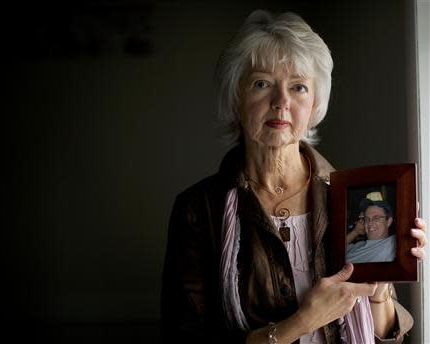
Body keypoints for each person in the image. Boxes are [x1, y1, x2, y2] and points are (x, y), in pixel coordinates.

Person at [161, 10, 428, 344]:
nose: (281, 102)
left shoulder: (351, 198)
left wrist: (383, 277)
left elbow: (386, 337)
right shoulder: (199, 209)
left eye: (298, 87)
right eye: (262, 84)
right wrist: (302, 321)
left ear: (315, 102)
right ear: (236, 97)